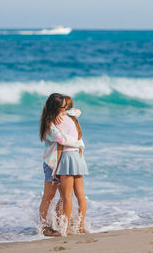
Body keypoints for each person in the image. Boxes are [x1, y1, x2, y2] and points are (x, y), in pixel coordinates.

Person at [39, 93, 84, 236]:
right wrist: (79, 144)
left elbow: (77, 111)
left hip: (62, 162)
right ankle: (43, 226)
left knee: (64, 196)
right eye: (63, 106)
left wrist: (64, 111)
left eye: (66, 106)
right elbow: (61, 138)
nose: (66, 109)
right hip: (52, 164)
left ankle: (59, 223)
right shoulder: (49, 124)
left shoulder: (61, 116)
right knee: (49, 196)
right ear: (55, 107)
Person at [55, 95, 88, 235]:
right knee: (80, 194)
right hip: (78, 156)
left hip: (67, 157)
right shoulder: (73, 119)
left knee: (67, 196)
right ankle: (80, 226)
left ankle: (65, 228)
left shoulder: (59, 120)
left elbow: (59, 145)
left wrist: (55, 167)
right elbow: (77, 111)